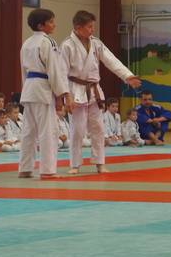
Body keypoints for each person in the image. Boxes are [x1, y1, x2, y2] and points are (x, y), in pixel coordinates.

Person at [60, 10, 142, 175]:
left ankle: (99, 163)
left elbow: (111, 60)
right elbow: (61, 72)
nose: (93, 30)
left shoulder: (96, 43)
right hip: (76, 90)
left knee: (98, 128)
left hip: (95, 91)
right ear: (79, 27)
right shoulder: (67, 45)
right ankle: (75, 165)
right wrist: (65, 96)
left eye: (93, 26)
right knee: (77, 130)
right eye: (90, 27)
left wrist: (126, 76)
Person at [19, 8, 72, 179]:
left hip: (29, 87)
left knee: (29, 131)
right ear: (41, 26)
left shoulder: (27, 43)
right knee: (48, 131)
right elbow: (54, 71)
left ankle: (25, 169)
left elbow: (23, 71)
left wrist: (26, 88)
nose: (54, 25)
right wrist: (63, 94)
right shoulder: (48, 42)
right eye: (51, 22)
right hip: (43, 88)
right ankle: (48, 171)